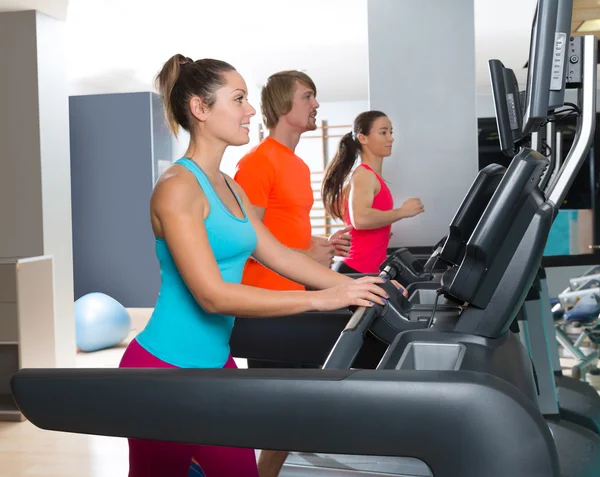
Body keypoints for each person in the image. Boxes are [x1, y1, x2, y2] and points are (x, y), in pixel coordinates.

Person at [117, 54, 389, 477]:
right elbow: (212, 295)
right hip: (163, 373)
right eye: (239, 99)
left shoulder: (228, 186)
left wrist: (352, 286)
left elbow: (278, 254)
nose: (249, 111)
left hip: (215, 366)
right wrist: (323, 301)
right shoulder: (176, 188)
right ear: (200, 109)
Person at [234, 70, 352, 293]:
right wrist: (308, 255)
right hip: (263, 299)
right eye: (307, 97)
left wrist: (321, 243)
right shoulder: (258, 161)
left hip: (293, 294)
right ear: (283, 105)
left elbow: (280, 230)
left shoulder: (298, 165)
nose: (315, 104)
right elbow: (246, 244)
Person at [321, 111, 425, 274]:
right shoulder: (364, 175)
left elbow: (358, 224)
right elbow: (361, 219)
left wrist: (381, 232)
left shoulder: (370, 176)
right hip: (356, 270)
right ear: (363, 138)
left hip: (364, 270)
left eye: (391, 132)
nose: (390, 138)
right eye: (383, 132)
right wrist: (402, 212)